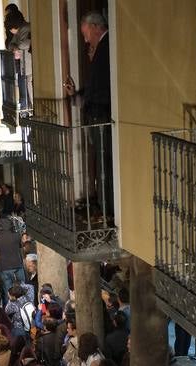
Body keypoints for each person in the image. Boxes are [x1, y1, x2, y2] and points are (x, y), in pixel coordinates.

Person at [65, 12, 112, 218]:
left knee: (105, 165)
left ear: (95, 27)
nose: (85, 40)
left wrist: (82, 100)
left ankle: (107, 208)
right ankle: (105, 206)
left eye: (86, 34)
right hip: (98, 117)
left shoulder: (106, 47)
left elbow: (101, 89)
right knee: (102, 164)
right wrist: (76, 95)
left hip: (101, 117)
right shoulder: (101, 49)